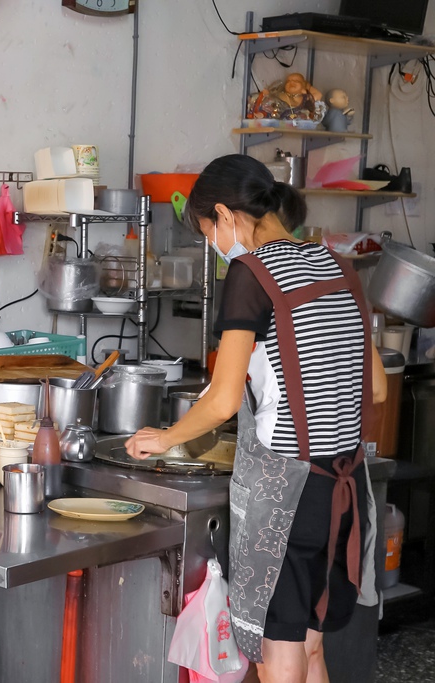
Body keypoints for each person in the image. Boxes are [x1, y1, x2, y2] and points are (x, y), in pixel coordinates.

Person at [125, 155, 387, 683]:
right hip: (347, 486)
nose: (215, 246)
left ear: (224, 214)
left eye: (208, 232)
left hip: (288, 494)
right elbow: (376, 386)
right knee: (311, 649)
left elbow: (222, 401)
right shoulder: (337, 264)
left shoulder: (251, 273)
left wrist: (166, 437)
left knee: (276, 654)